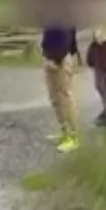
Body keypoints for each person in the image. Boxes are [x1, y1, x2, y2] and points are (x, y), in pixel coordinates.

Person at [41, 21, 81, 153]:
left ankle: (73, 137)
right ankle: (64, 132)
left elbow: (66, 36)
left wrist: (57, 59)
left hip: (60, 59)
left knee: (65, 98)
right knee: (54, 98)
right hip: (50, 56)